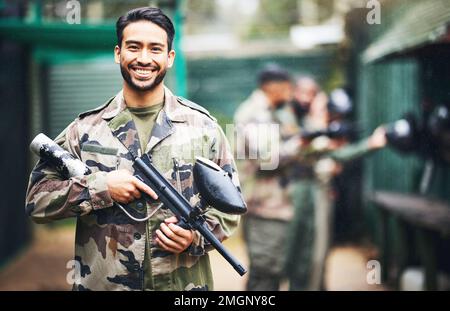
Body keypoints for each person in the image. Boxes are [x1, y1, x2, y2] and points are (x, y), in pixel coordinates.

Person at [25, 7, 241, 291]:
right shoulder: (85, 129)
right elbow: (36, 201)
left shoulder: (204, 128)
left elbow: (230, 207)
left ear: (169, 57)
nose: (143, 58)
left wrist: (193, 239)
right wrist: (100, 188)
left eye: (155, 49)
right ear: (118, 53)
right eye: (134, 47)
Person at [284, 84, 387, 290]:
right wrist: (370, 144)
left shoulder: (316, 127)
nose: (327, 113)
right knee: (309, 254)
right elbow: (333, 154)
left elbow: (334, 154)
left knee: (317, 254)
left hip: (316, 192)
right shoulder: (303, 127)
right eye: (321, 107)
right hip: (305, 194)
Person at [234, 64, 300, 291]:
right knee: (265, 271)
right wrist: (301, 144)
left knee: (274, 269)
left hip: (273, 203)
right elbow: (267, 159)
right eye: (286, 86)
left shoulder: (272, 111)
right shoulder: (255, 114)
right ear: (271, 87)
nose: (290, 91)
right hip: (262, 206)